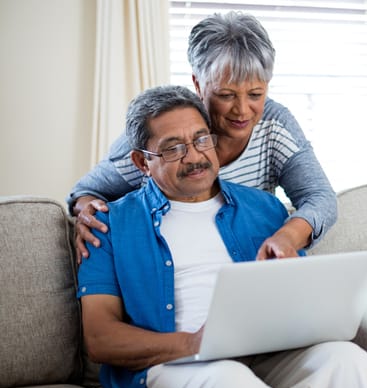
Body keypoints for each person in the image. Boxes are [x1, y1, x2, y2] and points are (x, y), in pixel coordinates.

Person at [77, 85, 367, 388]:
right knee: (233, 385)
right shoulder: (108, 225)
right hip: (177, 363)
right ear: (142, 162)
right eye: (173, 148)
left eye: (201, 139)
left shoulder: (265, 208)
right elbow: (99, 338)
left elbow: (299, 295)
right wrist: (194, 343)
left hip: (270, 353)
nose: (195, 157)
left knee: (350, 363)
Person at [68, 11, 336, 263]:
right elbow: (85, 192)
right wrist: (88, 213)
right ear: (198, 84)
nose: (242, 111)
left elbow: (320, 197)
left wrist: (286, 237)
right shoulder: (162, 134)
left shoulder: (275, 125)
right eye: (226, 95)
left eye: (255, 94)